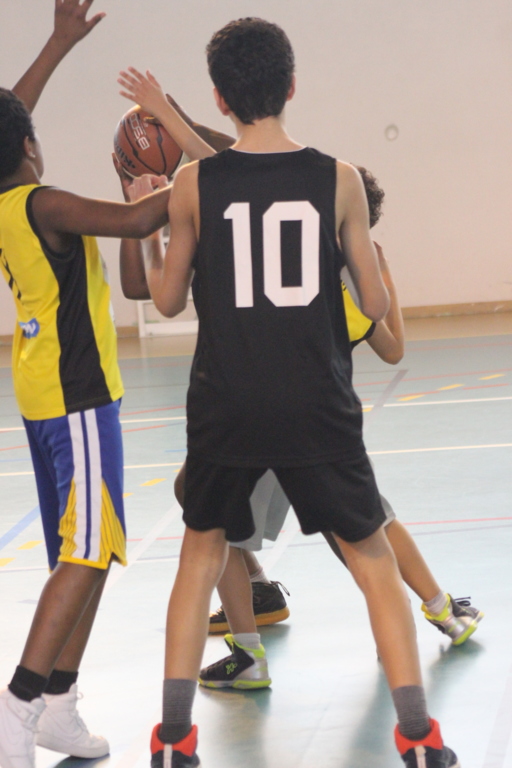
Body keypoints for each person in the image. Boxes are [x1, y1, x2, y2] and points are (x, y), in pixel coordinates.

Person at [118, 18, 459, 767]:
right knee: (372, 560)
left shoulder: (192, 183)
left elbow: (166, 301)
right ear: (293, 85)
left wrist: (149, 226)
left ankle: (173, 739)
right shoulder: (339, 178)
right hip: (315, 399)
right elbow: (373, 302)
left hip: (225, 400)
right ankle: (417, 733)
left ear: (220, 97)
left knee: (199, 556)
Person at [0, 4, 171, 768]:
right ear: (29, 147)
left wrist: (58, 43)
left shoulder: (4, 202)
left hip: (46, 393)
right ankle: (18, 704)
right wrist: (210, 171)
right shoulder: (44, 203)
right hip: (76, 397)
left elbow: (11, 110)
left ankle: (60, 704)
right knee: (87, 551)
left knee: (89, 551)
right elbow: (135, 224)